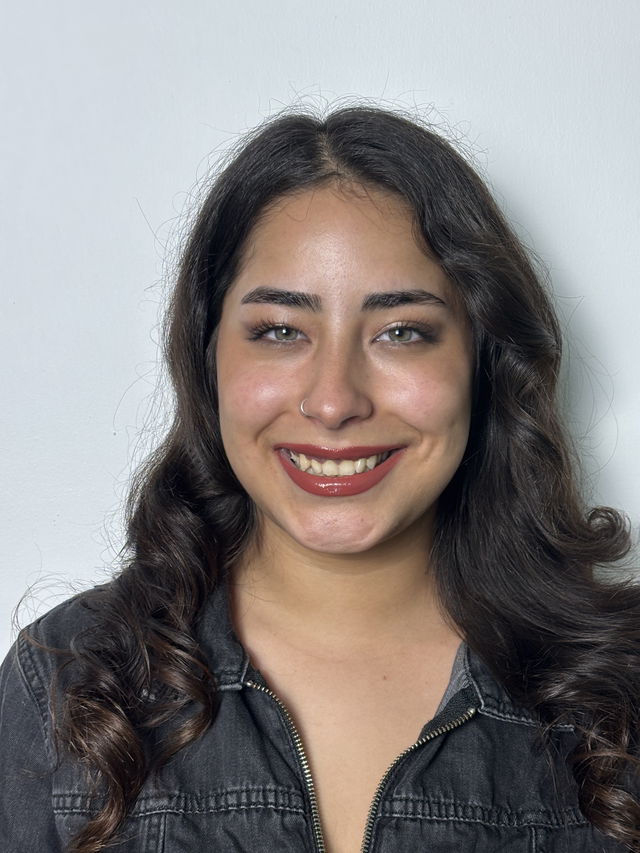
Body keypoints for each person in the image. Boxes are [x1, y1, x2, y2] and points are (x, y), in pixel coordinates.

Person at [0, 106, 638, 853]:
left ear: (483, 359)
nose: (334, 401)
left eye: (402, 331)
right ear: (208, 358)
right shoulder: (68, 684)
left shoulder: (622, 693)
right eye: (280, 331)